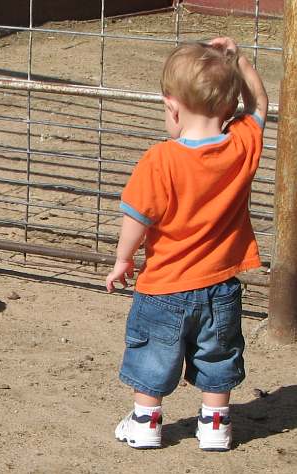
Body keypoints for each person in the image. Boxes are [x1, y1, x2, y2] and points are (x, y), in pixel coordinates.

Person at [106, 36, 268, 451]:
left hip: (165, 285)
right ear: (229, 107)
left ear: (172, 106)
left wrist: (123, 260)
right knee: (217, 354)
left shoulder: (160, 160)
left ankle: (146, 421)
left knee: (153, 354)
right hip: (222, 285)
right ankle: (216, 425)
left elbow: (136, 219)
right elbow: (260, 107)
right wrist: (241, 62)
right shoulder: (241, 146)